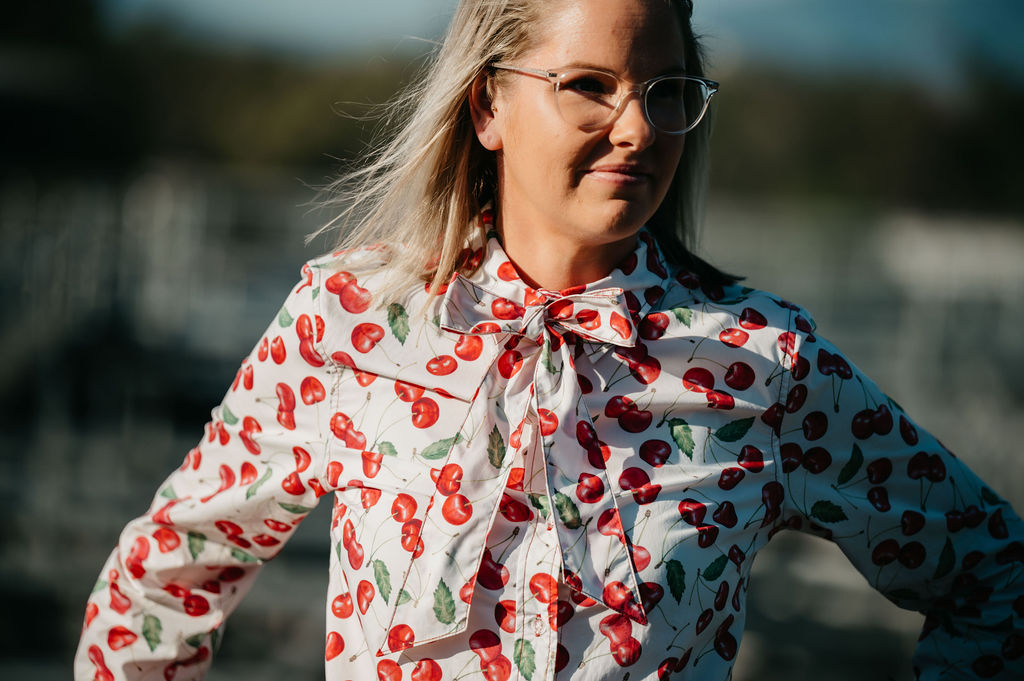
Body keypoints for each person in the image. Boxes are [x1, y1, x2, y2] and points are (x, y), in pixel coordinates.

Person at [75, 1, 1023, 679]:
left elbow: (996, 572)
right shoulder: (350, 320)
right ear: (487, 106)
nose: (636, 128)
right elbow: (164, 575)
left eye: (666, 90)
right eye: (589, 86)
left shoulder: (763, 364)